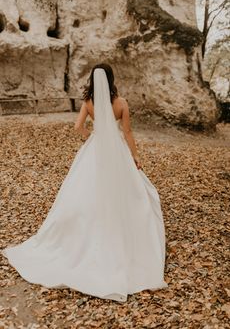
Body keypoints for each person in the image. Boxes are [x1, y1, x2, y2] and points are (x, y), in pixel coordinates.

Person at [2, 63, 168, 302]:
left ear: (93, 79)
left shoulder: (88, 103)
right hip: (117, 153)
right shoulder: (121, 104)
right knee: (126, 192)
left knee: (85, 191)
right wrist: (134, 156)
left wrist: (93, 137)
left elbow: (77, 126)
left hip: (94, 150)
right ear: (111, 79)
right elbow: (128, 133)